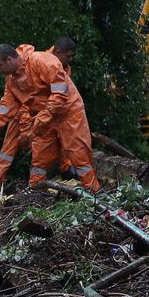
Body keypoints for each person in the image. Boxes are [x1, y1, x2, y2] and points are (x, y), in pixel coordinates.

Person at [0, 43, 73, 197]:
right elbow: (5, 107)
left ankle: (48, 181)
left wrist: (38, 121)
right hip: (23, 118)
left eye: (0, 66)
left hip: (40, 118)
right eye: (68, 56)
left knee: (50, 148)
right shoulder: (17, 75)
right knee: (6, 155)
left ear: (10, 59)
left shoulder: (42, 63)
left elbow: (47, 99)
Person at [46, 37, 101, 192]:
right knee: (76, 149)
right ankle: (90, 187)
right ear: (58, 52)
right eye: (68, 56)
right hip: (57, 113)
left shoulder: (64, 66)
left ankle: (76, 177)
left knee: (77, 149)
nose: (70, 60)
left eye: (72, 56)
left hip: (61, 113)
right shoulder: (48, 65)